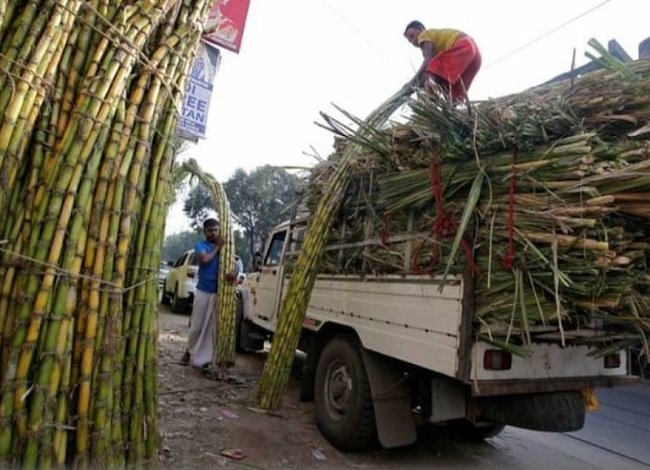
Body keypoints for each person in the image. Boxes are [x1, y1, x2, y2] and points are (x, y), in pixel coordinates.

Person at [181, 218, 231, 368]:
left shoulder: (226, 249)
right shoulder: (201, 246)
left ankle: (205, 360)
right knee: (196, 325)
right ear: (205, 232)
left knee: (211, 330)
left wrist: (232, 275)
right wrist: (217, 248)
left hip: (219, 293)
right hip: (203, 290)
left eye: (216, 230)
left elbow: (232, 267)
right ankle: (188, 351)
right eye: (211, 230)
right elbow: (204, 260)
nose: (214, 233)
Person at [403, 20, 481, 103]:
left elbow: (428, 60)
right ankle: (449, 107)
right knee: (452, 96)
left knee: (431, 71)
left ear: (421, 29)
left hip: (463, 45)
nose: (412, 42)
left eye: (412, 36)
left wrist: (411, 82)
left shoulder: (424, 34)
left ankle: (429, 98)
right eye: (410, 41)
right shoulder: (439, 47)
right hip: (476, 58)